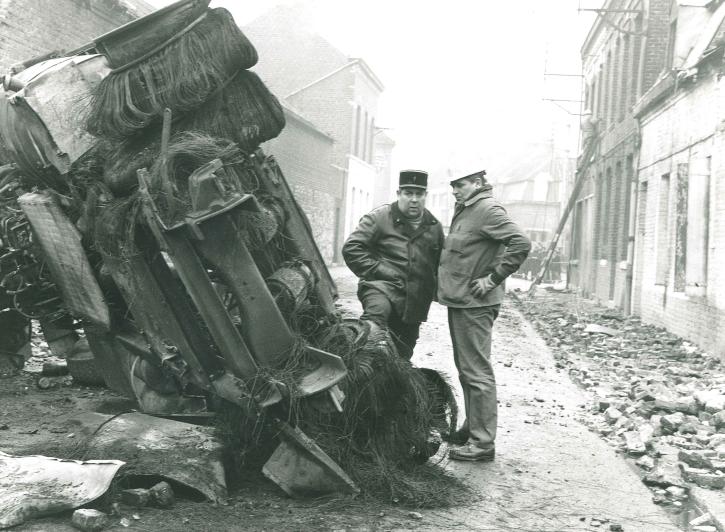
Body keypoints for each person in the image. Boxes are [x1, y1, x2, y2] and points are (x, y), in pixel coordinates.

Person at [438, 169, 531, 461]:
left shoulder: (487, 210)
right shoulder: (467, 209)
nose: (455, 190)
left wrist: (493, 279)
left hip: (476, 304)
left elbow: (521, 243)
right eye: (453, 185)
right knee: (467, 369)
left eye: (461, 185)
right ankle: (473, 427)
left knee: (477, 371)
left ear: (478, 183)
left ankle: (482, 444)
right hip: (462, 301)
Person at [342, 170, 444, 359]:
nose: (414, 199)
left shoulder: (434, 226)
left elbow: (439, 264)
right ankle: (358, 365)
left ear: (425, 196)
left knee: (402, 354)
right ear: (399, 194)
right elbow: (352, 249)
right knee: (374, 323)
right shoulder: (379, 217)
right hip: (380, 287)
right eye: (408, 193)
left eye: (419, 194)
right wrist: (380, 271)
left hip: (414, 301)